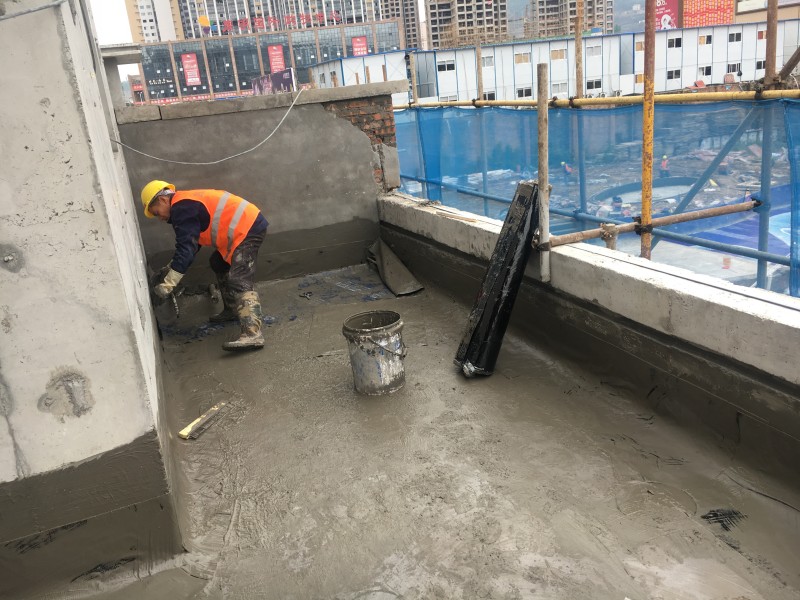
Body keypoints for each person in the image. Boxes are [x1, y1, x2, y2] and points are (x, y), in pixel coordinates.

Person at [141, 180, 268, 351]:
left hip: (248, 228)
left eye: (157, 212)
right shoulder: (185, 204)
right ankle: (232, 310)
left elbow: (187, 249)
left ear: (163, 200)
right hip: (243, 227)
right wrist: (170, 268)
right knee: (218, 263)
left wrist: (167, 285)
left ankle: (253, 334)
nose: (160, 218)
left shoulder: (182, 209)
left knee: (239, 278)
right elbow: (191, 245)